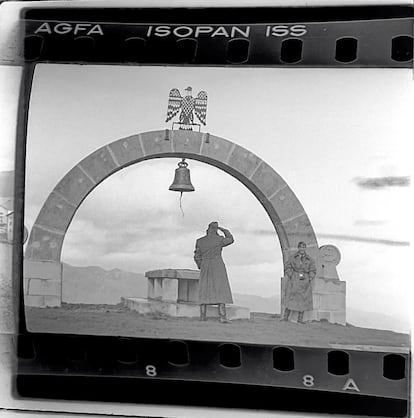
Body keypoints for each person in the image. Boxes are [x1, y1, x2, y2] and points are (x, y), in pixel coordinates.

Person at [194, 222, 234, 323]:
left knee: (204, 289)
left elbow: (197, 255)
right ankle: (222, 317)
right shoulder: (219, 239)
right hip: (217, 264)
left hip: (205, 264)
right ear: (216, 229)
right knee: (220, 289)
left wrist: (201, 265)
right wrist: (224, 230)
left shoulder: (200, 241)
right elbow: (231, 239)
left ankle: (202, 316)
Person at [281, 242, 316, 324]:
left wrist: (309, 278)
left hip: (304, 280)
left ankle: (300, 319)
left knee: (303, 299)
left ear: (305, 248)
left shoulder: (309, 259)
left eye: (303, 247)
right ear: (298, 248)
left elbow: (313, 270)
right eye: (300, 247)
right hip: (294, 279)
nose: (302, 249)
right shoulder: (293, 257)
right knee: (290, 296)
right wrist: (291, 275)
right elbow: (287, 266)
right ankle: (285, 317)